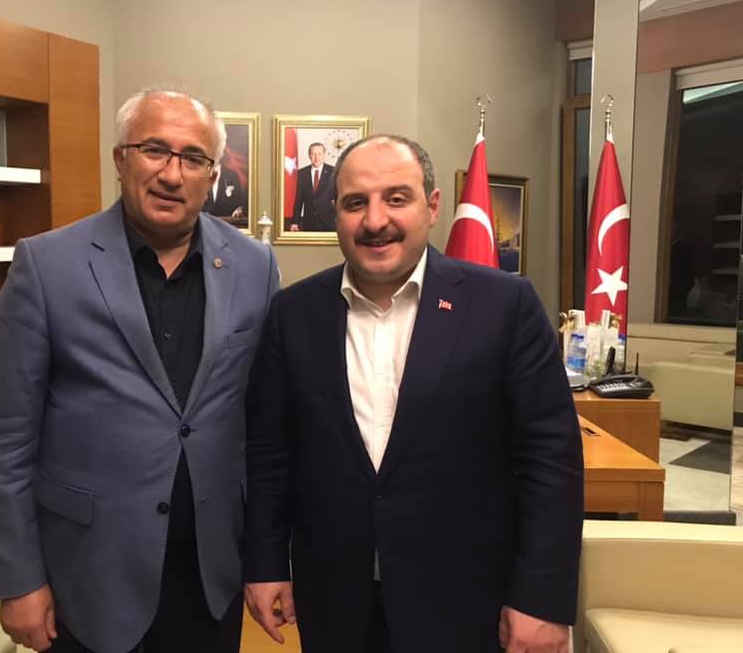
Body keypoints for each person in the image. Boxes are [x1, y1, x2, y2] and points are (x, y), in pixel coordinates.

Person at [244, 134, 583, 653]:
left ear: (433, 205)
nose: (375, 220)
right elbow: (271, 452)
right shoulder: (293, 313)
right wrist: (266, 562)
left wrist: (542, 598)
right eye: (355, 203)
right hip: (336, 600)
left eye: (396, 198)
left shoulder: (504, 306)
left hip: (468, 603)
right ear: (335, 212)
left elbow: (551, 460)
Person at [0, 88, 280, 653]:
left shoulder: (255, 266)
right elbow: (3, 438)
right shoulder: (46, 265)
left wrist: (267, 559)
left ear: (212, 175)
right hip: (89, 575)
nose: (172, 174)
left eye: (193, 158)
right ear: (120, 159)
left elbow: (262, 428)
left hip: (210, 573)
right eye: (154, 150)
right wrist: (16, 579)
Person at [290, 142, 336, 232]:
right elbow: (298, 199)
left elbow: (338, 198)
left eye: (319, 154)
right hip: (309, 223)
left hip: (329, 223)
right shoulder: (302, 173)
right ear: (309, 155)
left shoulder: (333, 172)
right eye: (313, 154)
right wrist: (295, 221)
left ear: (324, 155)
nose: (316, 157)